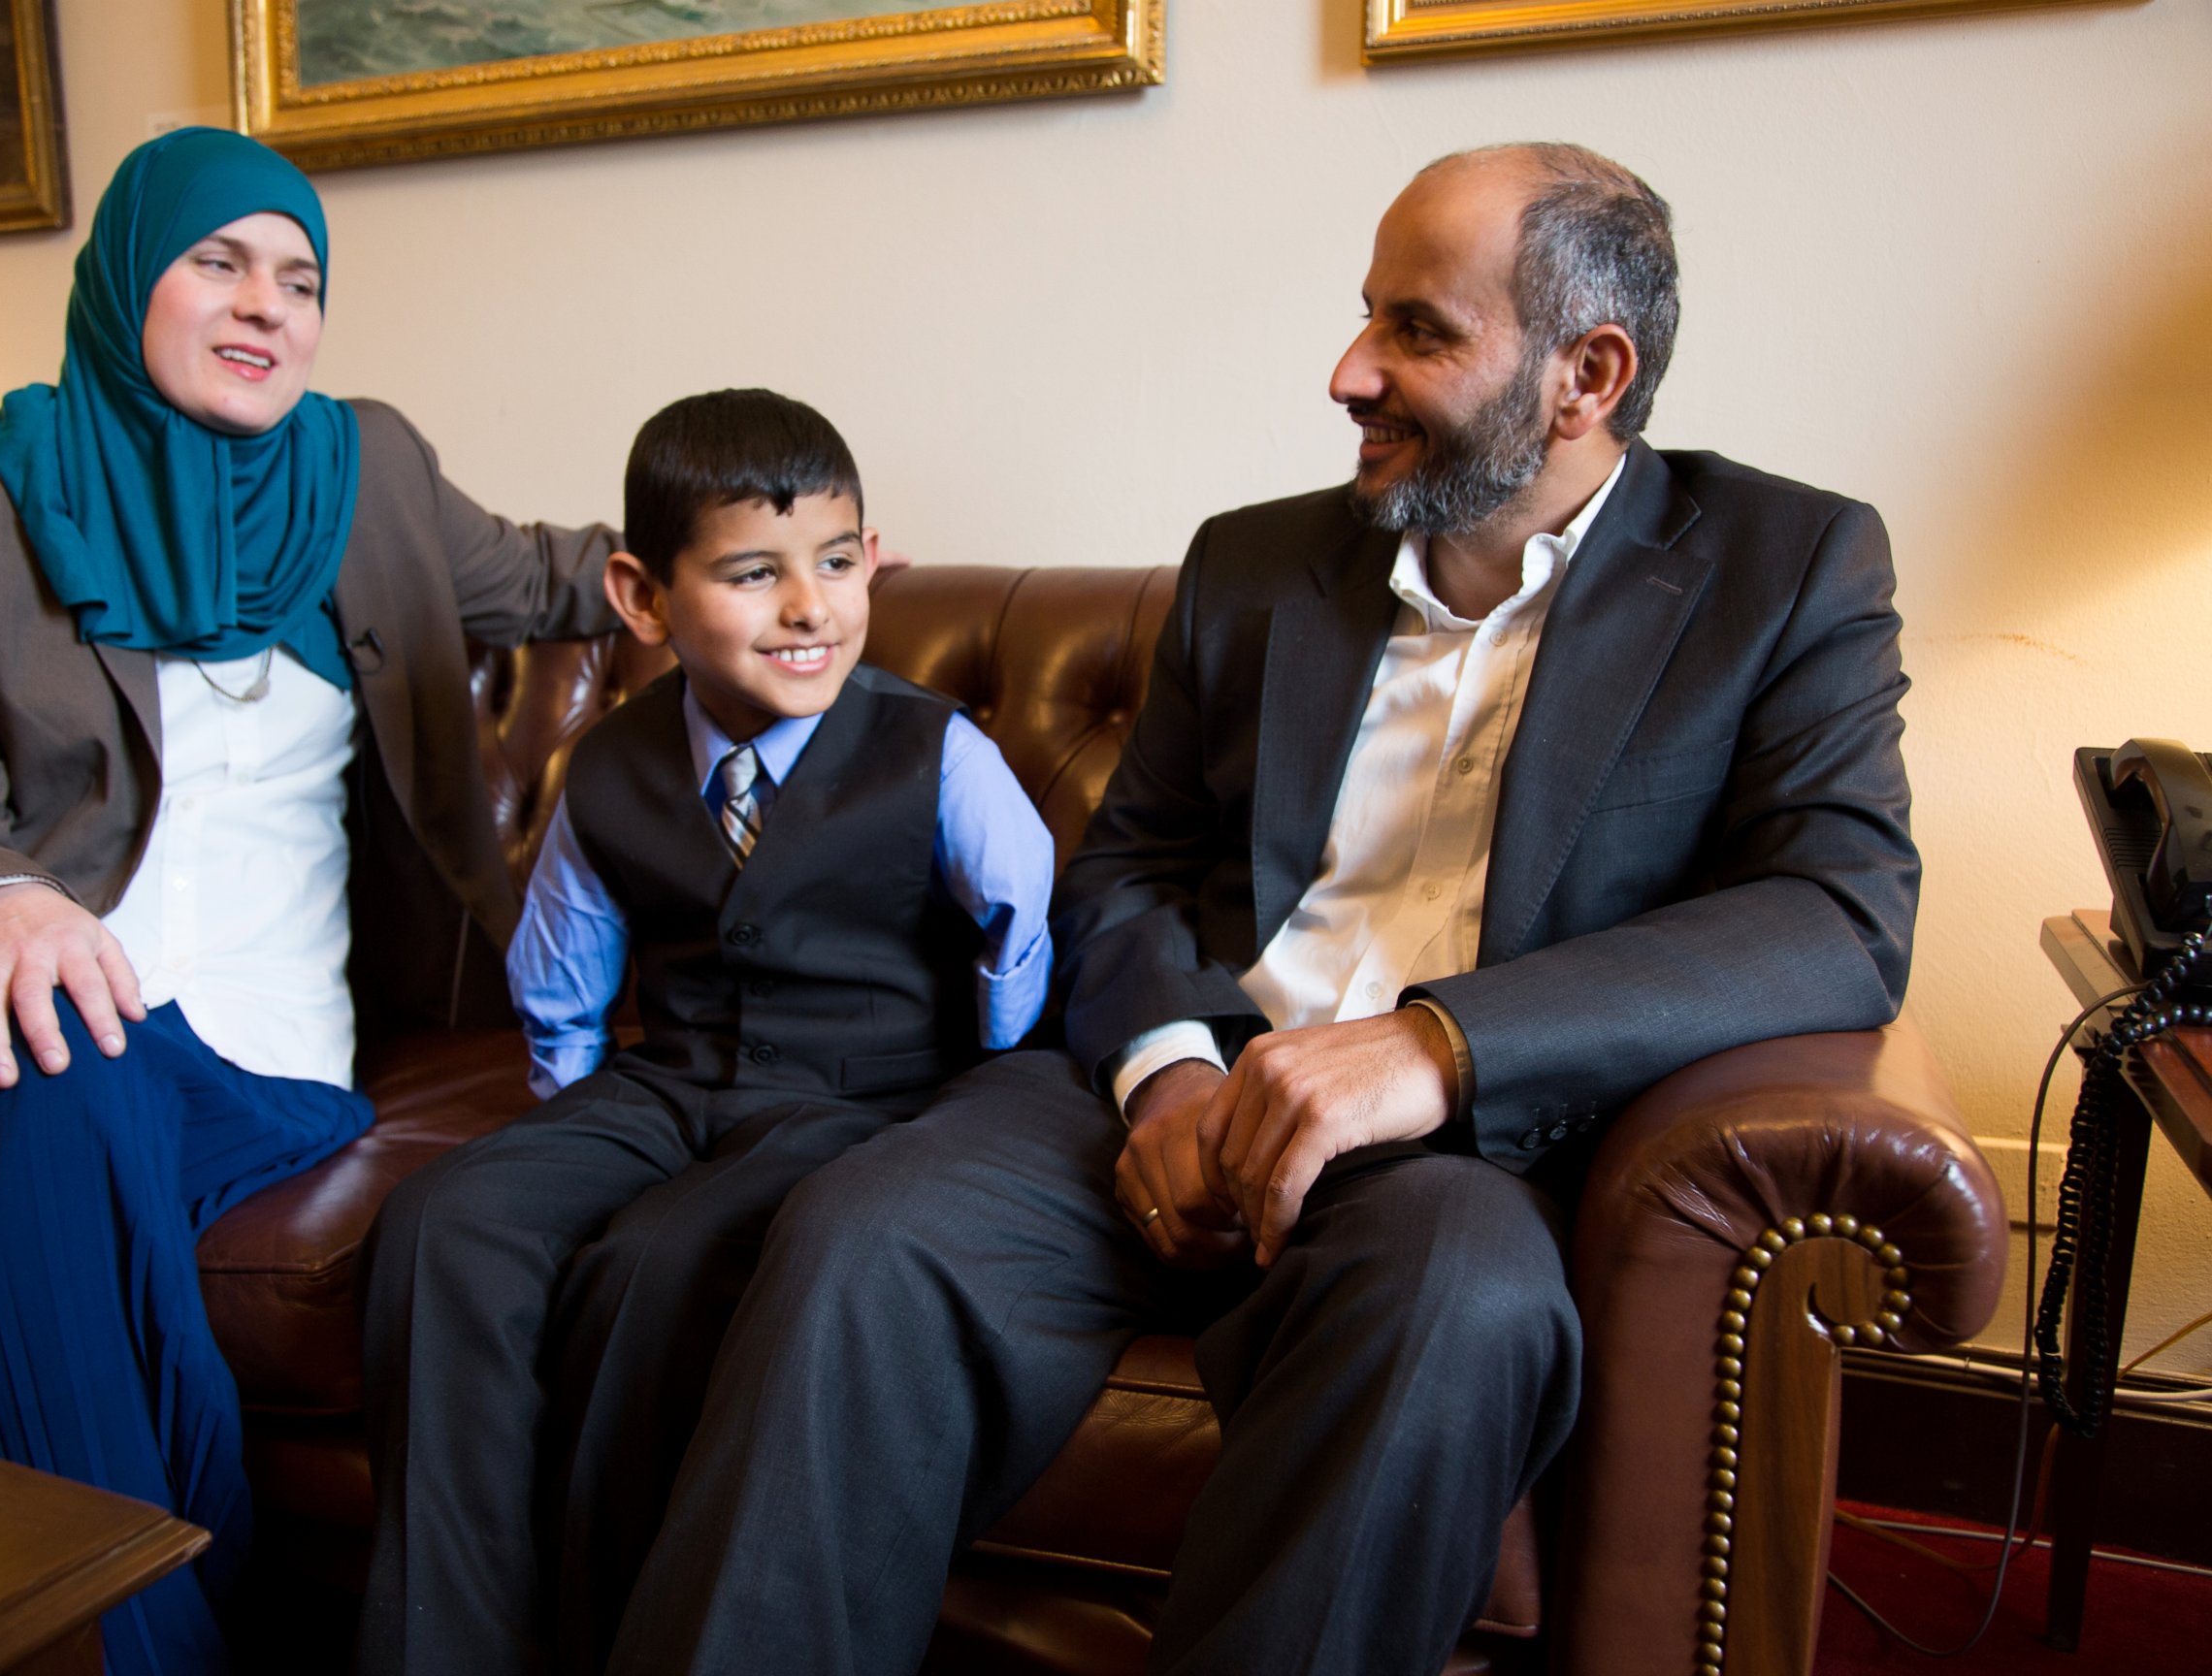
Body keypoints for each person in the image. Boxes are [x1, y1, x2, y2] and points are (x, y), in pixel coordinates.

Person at [604, 143, 1920, 1675]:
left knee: (1466, 1308)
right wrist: (1166, 1062)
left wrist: (1435, 1047)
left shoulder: (1786, 564)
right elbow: (1128, 865)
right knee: (862, 1231)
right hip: (1170, 1086)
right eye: (1366, 316)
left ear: (1587, 374)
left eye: (1418, 331)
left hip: (1451, 1146)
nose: (1349, 372)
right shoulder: (1254, 562)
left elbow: (1837, 907)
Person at [0, 128, 621, 1674]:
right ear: (130, 275)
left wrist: (779, 560)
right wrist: (6, 905)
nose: (266, 306)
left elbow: (556, 572)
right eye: (218, 262)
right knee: (31, 1072)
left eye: (301, 279)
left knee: (47, 1100)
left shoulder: (367, 467)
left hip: (249, 1047)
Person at [357, 388, 1055, 1675]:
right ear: (639, 596)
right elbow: (563, 979)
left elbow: (1016, 932)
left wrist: (978, 1091)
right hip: (664, 1082)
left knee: (665, 1262)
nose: (812, 609)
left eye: (839, 564)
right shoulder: (609, 762)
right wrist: (575, 1116)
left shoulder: (935, 752)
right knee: (441, 1221)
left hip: (864, 1094)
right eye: (754, 574)